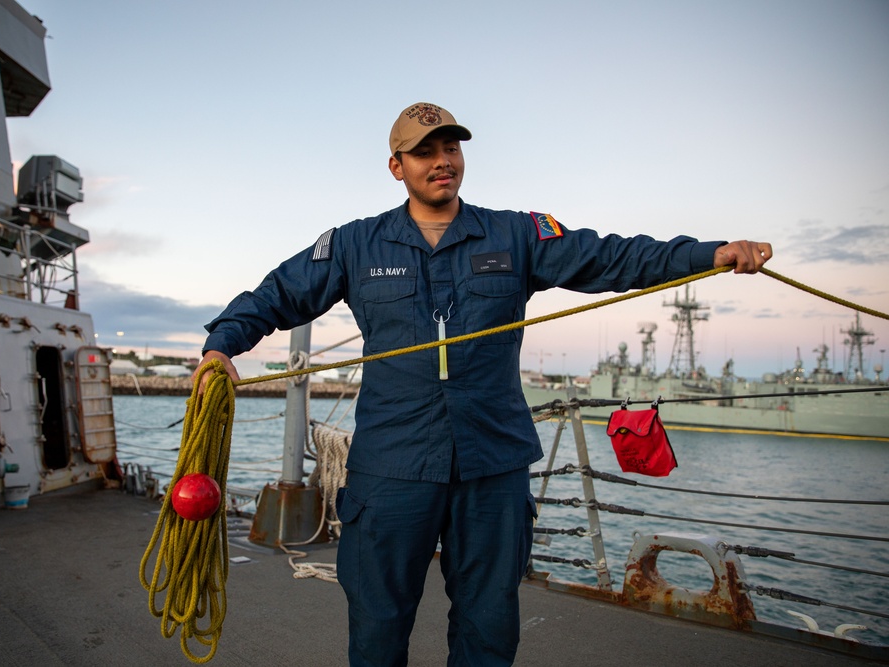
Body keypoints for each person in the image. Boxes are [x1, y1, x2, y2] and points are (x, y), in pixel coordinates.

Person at [197, 102, 772, 666]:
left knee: (488, 628)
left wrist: (708, 254)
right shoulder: (354, 244)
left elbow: (608, 258)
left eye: (451, 147)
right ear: (397, 166)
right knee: (377, 626)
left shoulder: (516, 234)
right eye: (424, 151)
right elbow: (277, 294)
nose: (442, 160)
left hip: (491, 468)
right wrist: (222, 345)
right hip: (392, 469)